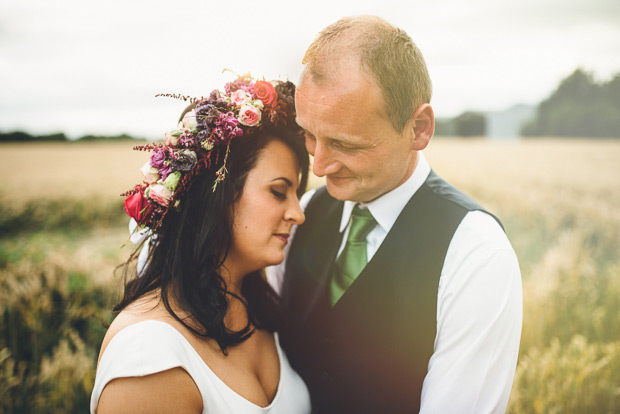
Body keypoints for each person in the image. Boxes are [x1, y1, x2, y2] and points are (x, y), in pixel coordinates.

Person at [270, 15, 523, 413]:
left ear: (419, 128)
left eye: (344, 144)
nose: (317, 167)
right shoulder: (303, 214)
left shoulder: (476, 253)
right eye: (309, 135)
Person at [90, 75, 312, 414]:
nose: (298, 214)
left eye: (297, 194)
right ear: (218, 195)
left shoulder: (262, 311)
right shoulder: (149, 354)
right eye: (279, 192)